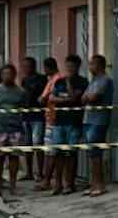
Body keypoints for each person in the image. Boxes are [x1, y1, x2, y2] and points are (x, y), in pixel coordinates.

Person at [41, 55, 88, 195]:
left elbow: (74, 97)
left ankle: (69, 184)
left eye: (72, 66)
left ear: (78, 67)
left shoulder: (82, 81)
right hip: (58, 122)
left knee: (71, 153)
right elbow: (51, 98)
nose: (69, 69)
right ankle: (58, 184)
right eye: (67, 66)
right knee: (57, 153)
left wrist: (68, 86)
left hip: (74, 122)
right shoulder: (59, 81)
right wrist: (65, 99)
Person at [0, 64, 28, 197]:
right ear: (1, 75)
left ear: (14, 75)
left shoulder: (21, 92)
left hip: (15, 129)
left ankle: (13, 186)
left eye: (10, 74)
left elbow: (25, 107)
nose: (7, 76)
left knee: (14, 157)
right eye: (5, 74)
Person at [82, 55, 114, 197]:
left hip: (99, 120)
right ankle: (93, 184)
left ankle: (100, 185)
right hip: (88, 119)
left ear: (100, 65)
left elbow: (94, 97)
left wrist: (89, 97)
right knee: (91, 154)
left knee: (96, 154)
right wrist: (88, 97)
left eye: (92, 64)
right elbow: (83, 98)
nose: (90, 67)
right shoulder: (93, 81)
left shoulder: (105, 80)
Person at [20, 57, 47, 183]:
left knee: (38, 143)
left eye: (28, 66)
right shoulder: (24, 80)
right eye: (24, 66)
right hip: (26, 116)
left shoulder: (41, 79)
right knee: (27, 144)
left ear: (33, 66)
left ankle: (40, 173)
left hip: (38, 116)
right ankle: (29, 172)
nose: (25, 69)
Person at [36, 57, 61, 192]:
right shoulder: (51, 80)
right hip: (50, 118)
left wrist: (43, 99)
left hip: (53, 119)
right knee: (50, 151)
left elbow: (43, 98)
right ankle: (50, 180)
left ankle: (48, 180)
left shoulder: (56, 80)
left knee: (51, 152)